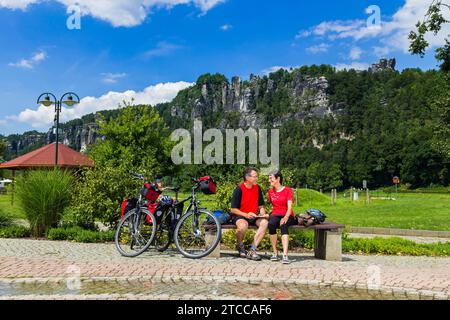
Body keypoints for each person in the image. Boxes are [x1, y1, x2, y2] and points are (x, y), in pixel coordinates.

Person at [230, 167, 268, 261]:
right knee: (243, 225)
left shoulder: (257, 188)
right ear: (247, 177)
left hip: (254, 216)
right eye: (255, 176)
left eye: (257, 176)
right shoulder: (239, 189)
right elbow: (233, 209)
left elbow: (261, 205)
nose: (257, 178)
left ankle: (252, 250)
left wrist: (263, 214)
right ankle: (240, 245)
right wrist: (246, 215)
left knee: (265, 223)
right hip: (241, 215)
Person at [267, 170, 297, 264]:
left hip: (287, 214)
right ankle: (275, 253)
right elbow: (271, 206)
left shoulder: (288, 190)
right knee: (271, 224)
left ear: (278, 178)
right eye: (269, 178)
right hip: (275, 214)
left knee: (284, 225)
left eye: (271, 178)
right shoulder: (270, 192)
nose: (269, 180)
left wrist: (286, 217)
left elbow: (289, 207)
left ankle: (285, 255)